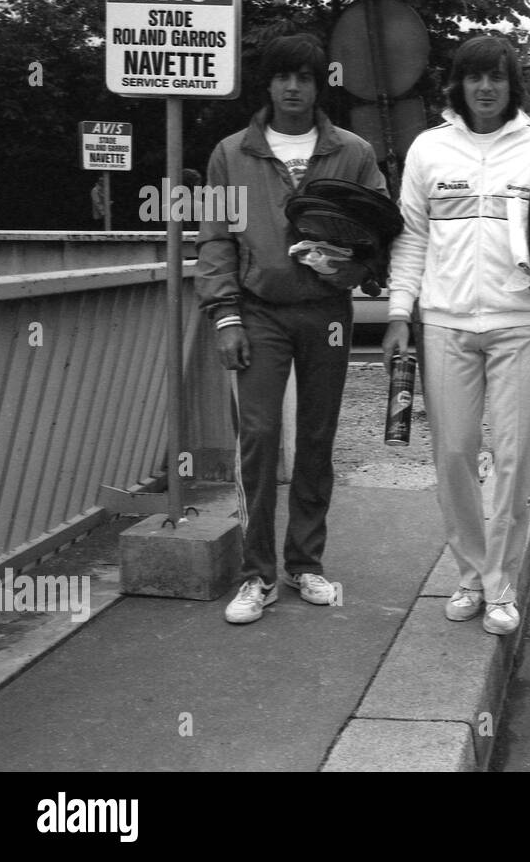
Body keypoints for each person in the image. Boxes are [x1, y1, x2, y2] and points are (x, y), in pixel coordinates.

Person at [383, 34, 530, 637]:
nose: (486, 88)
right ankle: (470, 572)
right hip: (447, 323)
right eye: (475, 77)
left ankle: (500, 581)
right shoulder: (429, 149)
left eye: (497, 78)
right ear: (458, 84)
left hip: (521, 321)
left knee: (513, 456)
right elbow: (411, 239)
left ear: (511, 85)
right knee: (452, 453)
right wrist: (401, 313)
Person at [196, 33, 387, 624]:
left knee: (317, 436)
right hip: (258, 311)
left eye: (304, 77)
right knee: (257, 439)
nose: (293, 88)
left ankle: (305, 564)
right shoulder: (232, 153)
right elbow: (215, 241)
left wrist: (353, 266)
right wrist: (225, 315)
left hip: (326, 312)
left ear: (318, 83)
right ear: (269, 84)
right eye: (283, 77)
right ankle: (256, 576)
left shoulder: (352, 151)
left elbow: (381, 231)